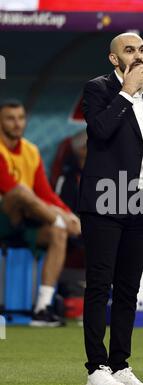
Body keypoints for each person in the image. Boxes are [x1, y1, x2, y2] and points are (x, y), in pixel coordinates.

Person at [78, 33, 143, 385]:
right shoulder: (97, 89)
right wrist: (126, 93)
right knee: (99, 285)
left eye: (141, 49)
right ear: (113, 59)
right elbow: (100, 131)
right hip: (103, 201)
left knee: (127, 288)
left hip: (142, 203)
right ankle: (96, 369)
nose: (137, 55)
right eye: (129, 50)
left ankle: (121, 365)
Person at [0, 99, 81, 326]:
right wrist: (59, 215)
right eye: (10, 118)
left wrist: (68, 214)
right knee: (21, 192)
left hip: (29, 218)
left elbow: (45, 192)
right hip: (5, 215)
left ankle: (42, 308)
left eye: (21, 118)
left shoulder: (31, 150)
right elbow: (8, 188)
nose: (17, 124)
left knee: (58, 233)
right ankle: (60, 220)